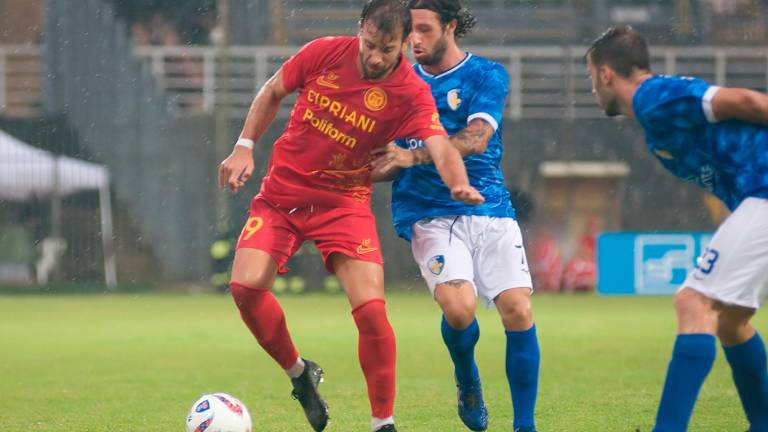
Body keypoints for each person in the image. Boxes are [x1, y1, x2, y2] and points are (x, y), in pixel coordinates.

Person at [217, 1, 484, 431]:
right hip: (282, 196)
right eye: (371, 44)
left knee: (372, 312)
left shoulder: (410, 91)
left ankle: (383, 422)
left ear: (404, 45)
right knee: (245, 289)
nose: (376, 57)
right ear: (360, 28)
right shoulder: (323, 52)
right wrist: (245, 145)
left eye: (388, 48)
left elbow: (437, 144)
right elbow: (272, 91)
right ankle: (300, 375)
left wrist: (456, 182)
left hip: (344, 204)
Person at [586, 25, 768, 432]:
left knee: (693, 302)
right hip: (756, 196)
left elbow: (746, 101)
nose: (593, 90)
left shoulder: (654, 98)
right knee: (731, 321)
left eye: (590, 78)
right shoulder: (654, 116)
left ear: (605, 74)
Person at [371, 1, 539, 430]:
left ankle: (525, 425)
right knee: (459, 309)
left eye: (425, 30)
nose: (414, 40)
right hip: (428, 212)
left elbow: (478, 138)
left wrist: (413, 156)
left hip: (488, 205)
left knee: (518, 310)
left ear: (450, 27)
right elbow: (387, 160)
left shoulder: (486, 75)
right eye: (410, 31)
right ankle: (467, 377)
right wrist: (373, 167)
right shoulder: (394, 81)